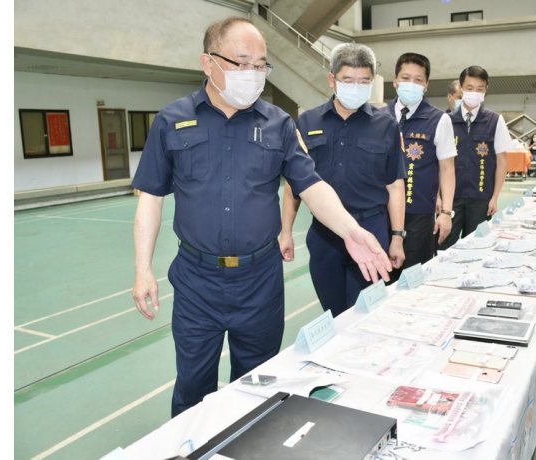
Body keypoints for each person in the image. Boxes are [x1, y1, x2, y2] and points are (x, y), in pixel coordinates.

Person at [130, 17, 392, 418]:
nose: (253, 73)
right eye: (242, 62)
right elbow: (150, 197)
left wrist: (351, 231)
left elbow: (311, 186)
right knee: (193, 384)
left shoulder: (279, 124)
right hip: (197, 281)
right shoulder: (172, 120)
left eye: (261, 64)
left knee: (258, 385)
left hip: (260, 281)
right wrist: (142, 268)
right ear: (208, 63)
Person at [279, 43, 406, 317]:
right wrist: (286, 231)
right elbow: (294, 186)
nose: (356, 86)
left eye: (364, 81)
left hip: (372, 227)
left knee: (368, 312)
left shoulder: (386, 125)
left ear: (372, 82)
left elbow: (395, 185)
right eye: (348, 79)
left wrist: (397, 237)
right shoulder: (307, 121)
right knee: (334, 312)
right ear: (332, 79)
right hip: (325, 234)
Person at [379, 52, 456, 275]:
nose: (411, 84)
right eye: (405, 78)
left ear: (426, 85)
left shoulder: (439, 119)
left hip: (419, 217)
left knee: (412, 281)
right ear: (395, 81)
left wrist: (446, 213)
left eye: (418, 80)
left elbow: (447, 168)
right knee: (380, 281)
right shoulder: (378, 118)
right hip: (380, 215)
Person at [439, 65, 512, 250]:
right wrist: (437, 197)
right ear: (461, 87)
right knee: (444, 247)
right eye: (470, 88)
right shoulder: (445, 120)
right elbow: (437, 164)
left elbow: (502, 162)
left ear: (486, 89)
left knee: (477, 248)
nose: (474, 93)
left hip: (481, 199)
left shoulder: (495, 121)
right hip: (451, 199)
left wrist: (495, 197)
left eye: (480, 89)